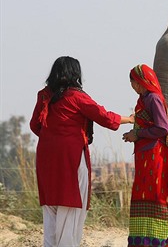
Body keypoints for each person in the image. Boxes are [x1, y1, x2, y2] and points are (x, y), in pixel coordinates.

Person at [29, 56, 134, 247]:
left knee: (51, 207)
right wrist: (130, 119)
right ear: (75, 74)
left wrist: (51, 137)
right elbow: (105, 117)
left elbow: (35, 125)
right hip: (71, 156)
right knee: (71, 205)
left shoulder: (44, 95)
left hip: (45, 155)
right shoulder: (77, 97)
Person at [122, 64, 168, 247]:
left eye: (134, 82)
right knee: (148, 195)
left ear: (142, 81)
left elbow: (163, 128)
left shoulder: (153, 98)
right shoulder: (145, 99)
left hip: (154, 156)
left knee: (157, 195)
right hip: (145, 156)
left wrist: (137, 134)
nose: (133, 86)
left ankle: (160, 238)